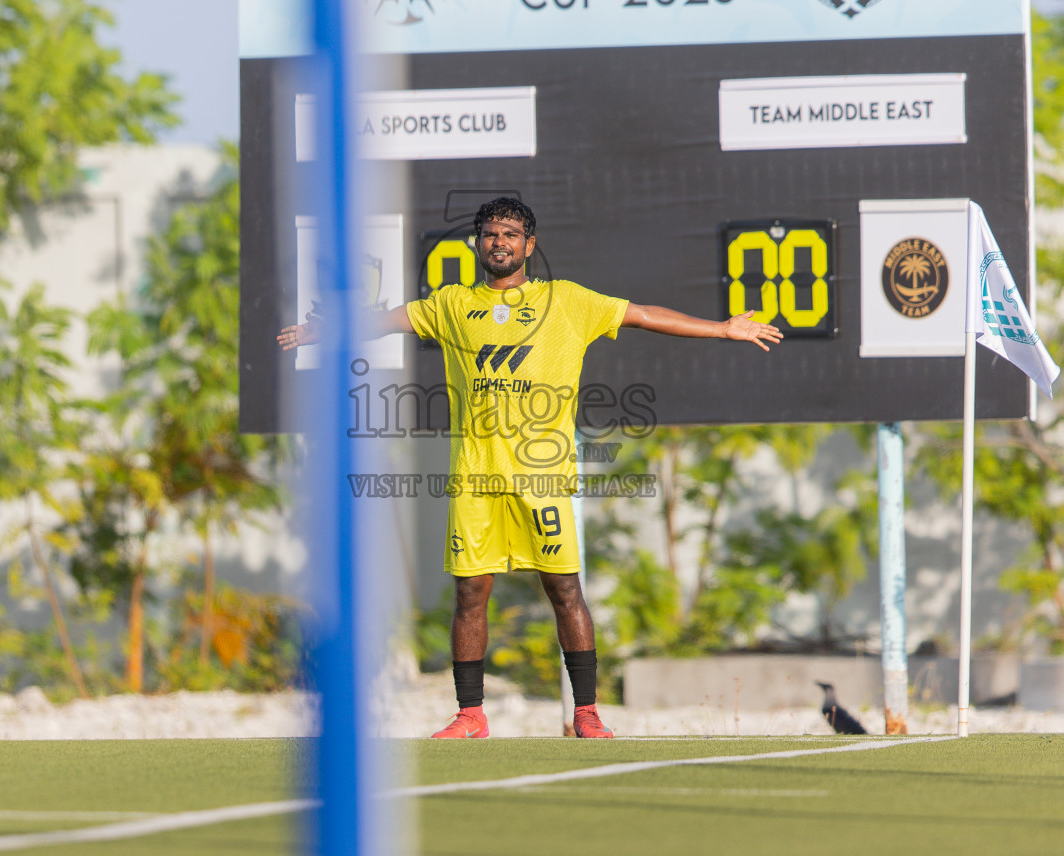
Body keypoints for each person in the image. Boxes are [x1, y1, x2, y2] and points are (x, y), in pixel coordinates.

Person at [279, 197, 783, 739]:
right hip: (475, 479)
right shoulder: (451, 304)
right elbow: (384, 321)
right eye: (490, 234)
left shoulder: (566, 300)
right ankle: (470, 715)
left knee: (565, 590)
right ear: (478, 243)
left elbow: (641, 314)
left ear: (529, 244)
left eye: (511, 234)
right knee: (470, 594)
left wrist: (722, 329)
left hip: (543, 480)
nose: (499, 242)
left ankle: (586, 712)